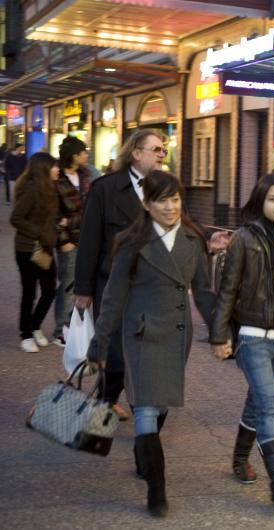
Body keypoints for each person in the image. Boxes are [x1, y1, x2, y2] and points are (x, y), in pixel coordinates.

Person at [86, 170, 214, 518]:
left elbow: (203, 293)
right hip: (141, 332)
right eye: (162, 200)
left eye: (175, 199)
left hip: (176, 335)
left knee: (160, 407)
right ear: (147, 204)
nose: (170, 207)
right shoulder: (132, 242)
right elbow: (113, 296)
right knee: (144, 407)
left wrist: (220, 332)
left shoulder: (192, 238)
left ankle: (144, 454)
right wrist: (99, 342)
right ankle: (157, 489)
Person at [211, 173, 274, 505]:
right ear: (260, 202)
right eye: (272, 199)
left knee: (257, 401)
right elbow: (228, 289)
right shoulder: (243, 238)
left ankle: (240, 460)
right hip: (252, 337)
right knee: (269, 404)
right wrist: (220, 335)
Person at [74, 129, 167, 421]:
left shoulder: (166, 188)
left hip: (151, 284)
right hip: (111, 282)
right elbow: (89, 240)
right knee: (115, 349)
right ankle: (108, 400)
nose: (162, 154)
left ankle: (130, 402)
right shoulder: (106, 188)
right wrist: (83, 288)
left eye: (163, 150)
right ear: (136, 153)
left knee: (144, 346)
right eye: (156, 149)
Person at [9, 152, 59, 353]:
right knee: (29, 291)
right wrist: (39, 233)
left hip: (45, 248)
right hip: (27, 248)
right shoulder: (31, 190)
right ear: (44, 169)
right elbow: (16, 218)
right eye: (54, 166)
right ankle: (26, 334)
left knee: (49, 290)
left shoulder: (51, 189)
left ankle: (35, 324)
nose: (58, 169)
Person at [52, 137, 91, 347]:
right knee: (67, 286)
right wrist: (63, 239)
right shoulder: (57, 178)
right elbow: (54, 213)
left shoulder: (87, 175)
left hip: (86, 239)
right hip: (68, 241)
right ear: (74, 156)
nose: (86, 155)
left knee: (84, 284)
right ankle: (61, 329)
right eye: (83, 152)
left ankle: (78, 326)